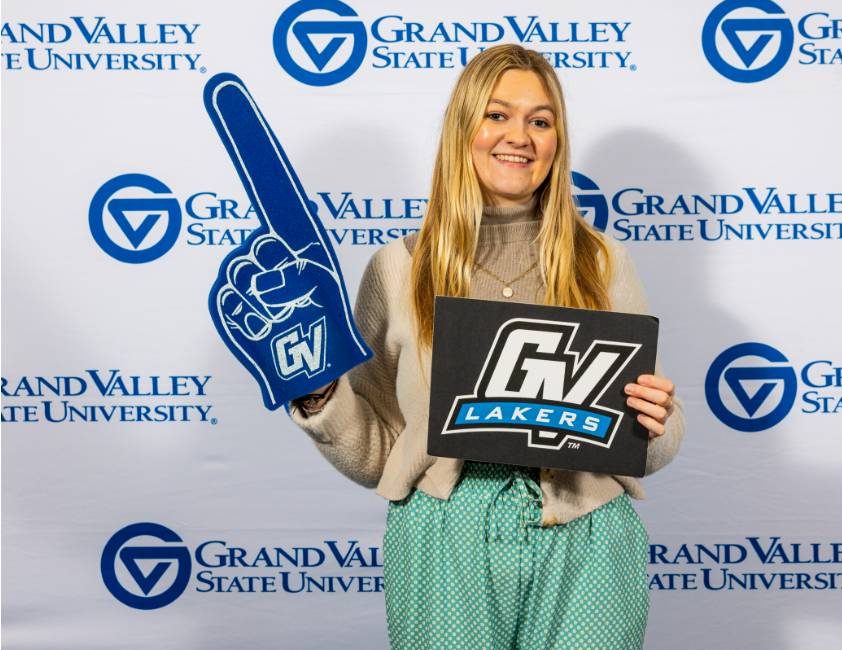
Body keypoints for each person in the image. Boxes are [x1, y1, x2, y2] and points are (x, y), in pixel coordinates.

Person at [289, 44, 684, 649]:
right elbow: (378, 452)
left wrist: (656, 423)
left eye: (540, 120)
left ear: (557, 142)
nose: (519, 136)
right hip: (445, 535)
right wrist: (320, 397)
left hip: (585, 528)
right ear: (462, 129)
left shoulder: (602, 261)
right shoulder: (398, 268)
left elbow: (654, 434)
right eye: (497, 115)